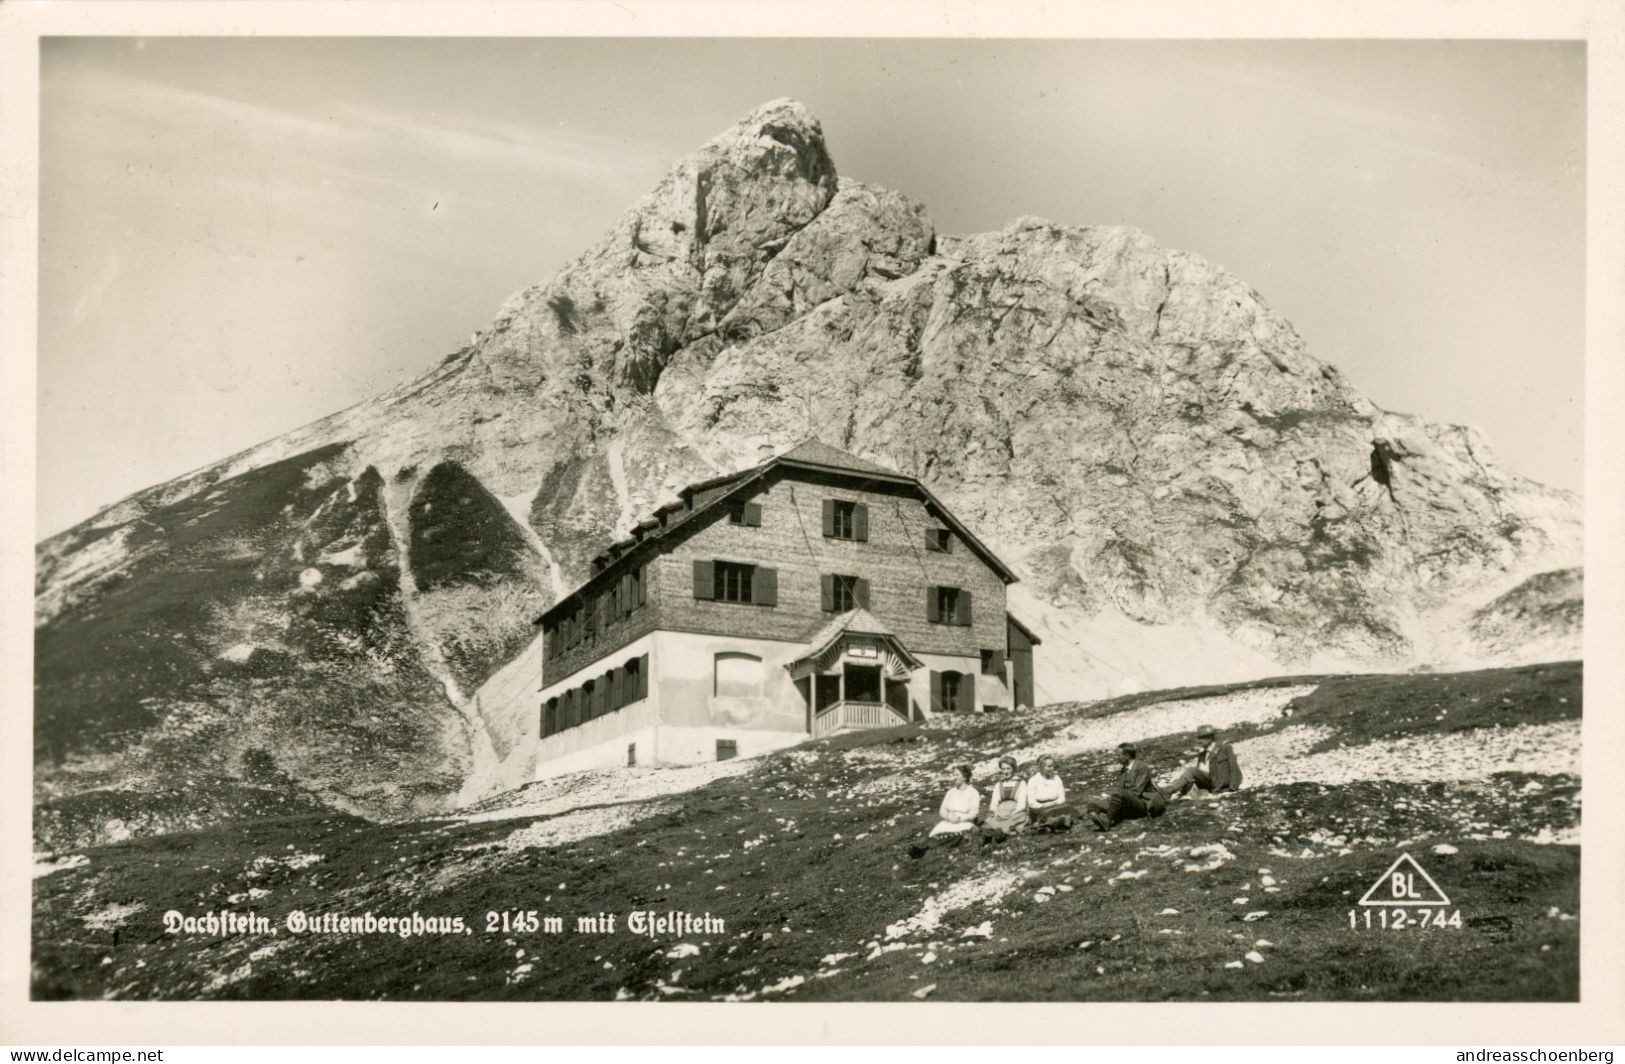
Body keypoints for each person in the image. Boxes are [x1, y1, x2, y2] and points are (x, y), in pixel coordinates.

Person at [1085, 742, 1167, 831]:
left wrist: (1117, 798)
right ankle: (1095, 816)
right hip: (1128, 804)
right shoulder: (1124, 770)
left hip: (1143, 805)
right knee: (1093, 800)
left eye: (1119, 755)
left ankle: (1107, 821)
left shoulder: (1142, 768)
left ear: (1127, 756)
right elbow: (1121, 790)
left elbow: (1136, 792)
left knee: (1117, 793)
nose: (1117, 758)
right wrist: (1110, 798)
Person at [909, 764, 981, 858]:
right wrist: (948, 817)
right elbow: (942, 810)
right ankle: (923, 847)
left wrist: (959, 818)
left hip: (964, 822)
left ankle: (926, 848)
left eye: (956, 775)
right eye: (953, 775)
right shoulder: (951, 792)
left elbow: (974, 813)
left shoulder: (973, 793)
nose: (953, 778)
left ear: (964, 777)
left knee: (954, 835)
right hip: (949, 821)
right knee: (938, 833)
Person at [1166, 724, 1243, 798]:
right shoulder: (1203, 754)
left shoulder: (1224, 748)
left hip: (1222, 786)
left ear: (1209, 739)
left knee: (1191, 770)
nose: (1199, 741)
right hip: (1210, 784)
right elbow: (1200, 775)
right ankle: (1169, 792)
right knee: (1186, 778)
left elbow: (1234, 768)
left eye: (1201, 738)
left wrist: (1233, 788)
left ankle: (1168, 791)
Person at [980, 756, 1028, 844]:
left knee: (1017, 819)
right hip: (1000, 812)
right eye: (1003, 769)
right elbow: (994, 802)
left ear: (1013, 769)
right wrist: (995, 812)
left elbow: (1021, 804)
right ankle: (989, 835)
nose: (1005, 772)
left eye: (1008, 768)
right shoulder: (999, 784)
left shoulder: (1021, 783)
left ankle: (997, 833)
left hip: (1015, 812)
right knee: (990, 819)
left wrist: (1012, 814)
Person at [1024, 755, 1076, 832]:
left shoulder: (1056, 778)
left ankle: (1055, 824)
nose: (1052, 768)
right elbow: (1031, 803)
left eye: (1052, 766)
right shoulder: (1033, 780)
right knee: (1050, 816)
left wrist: (1054, 803)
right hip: (1040, 808)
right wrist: (1043, 805)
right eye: (1049, 766)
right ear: (1041, 767)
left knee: (1069, 809)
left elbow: (1062, 798)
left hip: (1056, 806)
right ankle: (1056, 824)